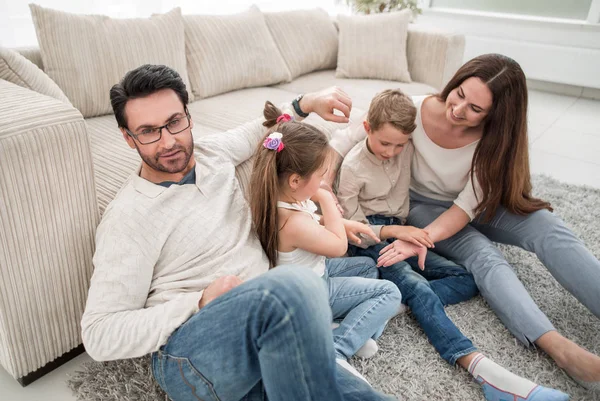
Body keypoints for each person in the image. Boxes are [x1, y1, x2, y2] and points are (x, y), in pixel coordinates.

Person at [80, 64, 397, 401]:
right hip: (194, 353)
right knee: (296, 284)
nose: (169, 140)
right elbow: (99, 333)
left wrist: (306, 103)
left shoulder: (211, 153)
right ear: (129, 138)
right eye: (148, 131)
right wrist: (198, 302)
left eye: (174, 122)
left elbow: (264, 132)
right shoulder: (128, 217)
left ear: (188, 116)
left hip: (270, 328)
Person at [328, 53, 600, 393]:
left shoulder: (496, 139)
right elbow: (350, 135)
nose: (458, 110)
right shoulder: (414, 110)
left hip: (478, 205)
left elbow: (467, 207)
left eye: (475, 109)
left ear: (495, 115)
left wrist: (420, 240)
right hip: (425, 207)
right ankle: (559, 348)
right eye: (459, 94)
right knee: (482, 255)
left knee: (549, 228)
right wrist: (326, 180)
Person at [249, 101, 402, 382]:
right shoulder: (291, 221)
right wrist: (325, 198)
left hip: (314, 274)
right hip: (309, 293)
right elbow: (337, 246)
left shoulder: (283, 200)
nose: (322, 182)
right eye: (320, 177)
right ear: (295, 180)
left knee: (368, 267)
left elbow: (315, 222)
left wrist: (345, 223)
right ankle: (337, 348)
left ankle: (334, 327)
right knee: (389, 293)